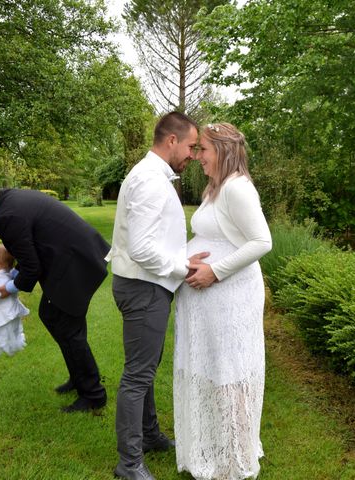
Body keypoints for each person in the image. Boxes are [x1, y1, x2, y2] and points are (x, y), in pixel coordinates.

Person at [106, 111, 208, 480]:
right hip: (144, 287)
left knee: (144, 370)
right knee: (137, 375)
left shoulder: (152, 175)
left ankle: (149, 436)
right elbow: (142, 249)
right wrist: (183, 268)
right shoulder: (150, 180)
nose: (194, 155)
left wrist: (180, 257)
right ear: (171, 141)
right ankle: (129, 463)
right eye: (191, 146)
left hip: (144, 286)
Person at [174, 123, 272, 480]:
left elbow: (262, 242)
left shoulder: (237, 190)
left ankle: (234, 457)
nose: (197, 156)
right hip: (206, 303)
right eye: (197, 149)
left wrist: (215, 271)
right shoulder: (215, 189)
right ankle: (215, 445)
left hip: (231, 297)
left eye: (204, 150)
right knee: (211, 371)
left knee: (231, 372)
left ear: (225, 152)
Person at [0, 182, 109, 413]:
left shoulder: (5, 217)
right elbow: (28, 253)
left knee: (64, 323)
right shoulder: (7, 201)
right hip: (73, 257)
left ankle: (93, 394)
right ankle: (80, 379)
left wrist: (6, 289)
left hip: (76, 262)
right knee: (58, 319)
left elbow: (32, 267)